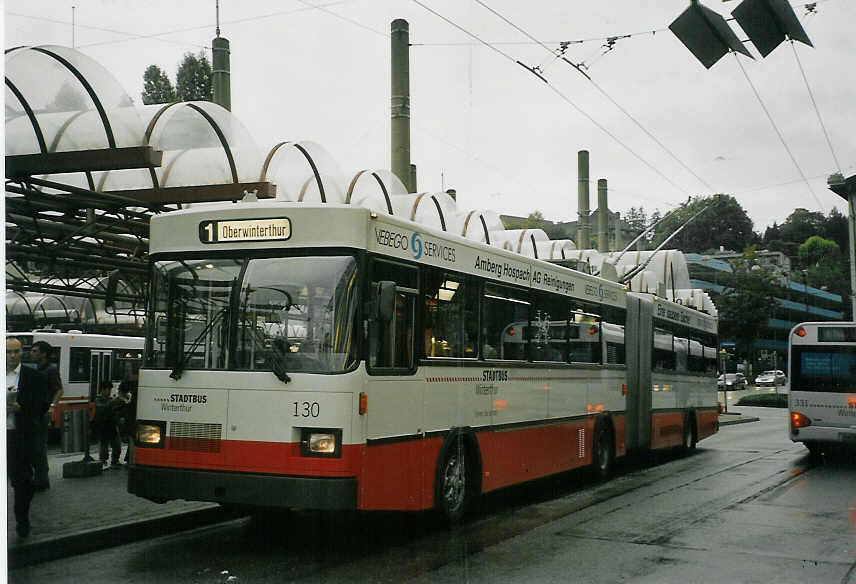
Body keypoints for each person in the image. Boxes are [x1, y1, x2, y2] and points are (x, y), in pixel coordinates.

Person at [6, 337, 50, 538]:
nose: (12, 356)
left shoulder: (32, 377)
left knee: (23, 483)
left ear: (21, 353)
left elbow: (41, 407)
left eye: (15, 352)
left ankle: (22, 520)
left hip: (18, 438)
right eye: (8, 352)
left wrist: (20, 408)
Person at [29, 340, 63, 490]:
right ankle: (36, 476)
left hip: (42, 412)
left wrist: (52, 407)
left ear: (43, 353)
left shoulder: (51, 369)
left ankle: (42, 479)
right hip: (31, 411)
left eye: (35, 351)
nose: (32, 353)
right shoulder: (35, 368)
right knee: (31, 446)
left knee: (39, 446)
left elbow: (59, 390)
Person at [93, 381, 122, 468]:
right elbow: (101, 408)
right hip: (103, 425)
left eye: (110, 390)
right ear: (102, 390)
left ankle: (115, 460)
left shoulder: (110, 400)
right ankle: (103, 461)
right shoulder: (98, 399)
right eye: (108, 390)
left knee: (117, 445)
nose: (109, 392)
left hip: (112, 424)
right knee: (104, 446)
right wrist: (112, 402)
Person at [117, 370, 138, 463]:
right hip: (132, 417)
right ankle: (131, 459)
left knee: (132, 439)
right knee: (132, 439)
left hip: (130, 416)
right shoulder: (134, 386)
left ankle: (130, 459)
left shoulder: (129, 387)